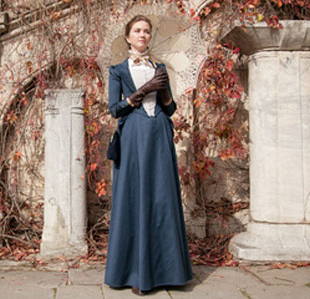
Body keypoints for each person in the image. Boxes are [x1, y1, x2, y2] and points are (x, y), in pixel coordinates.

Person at [104, 15, 193, 296]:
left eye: (146, 31)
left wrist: (163, 87)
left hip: (159, 135)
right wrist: (143, 90)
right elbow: (114, 109)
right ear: (128, 36)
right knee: (136, 196)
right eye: (137, 31)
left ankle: (169, 272)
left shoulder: (160, 67)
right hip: (133, 137)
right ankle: (134, 273)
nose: (143, 35)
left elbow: (170, 108)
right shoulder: (118, 70)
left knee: (162, 197)